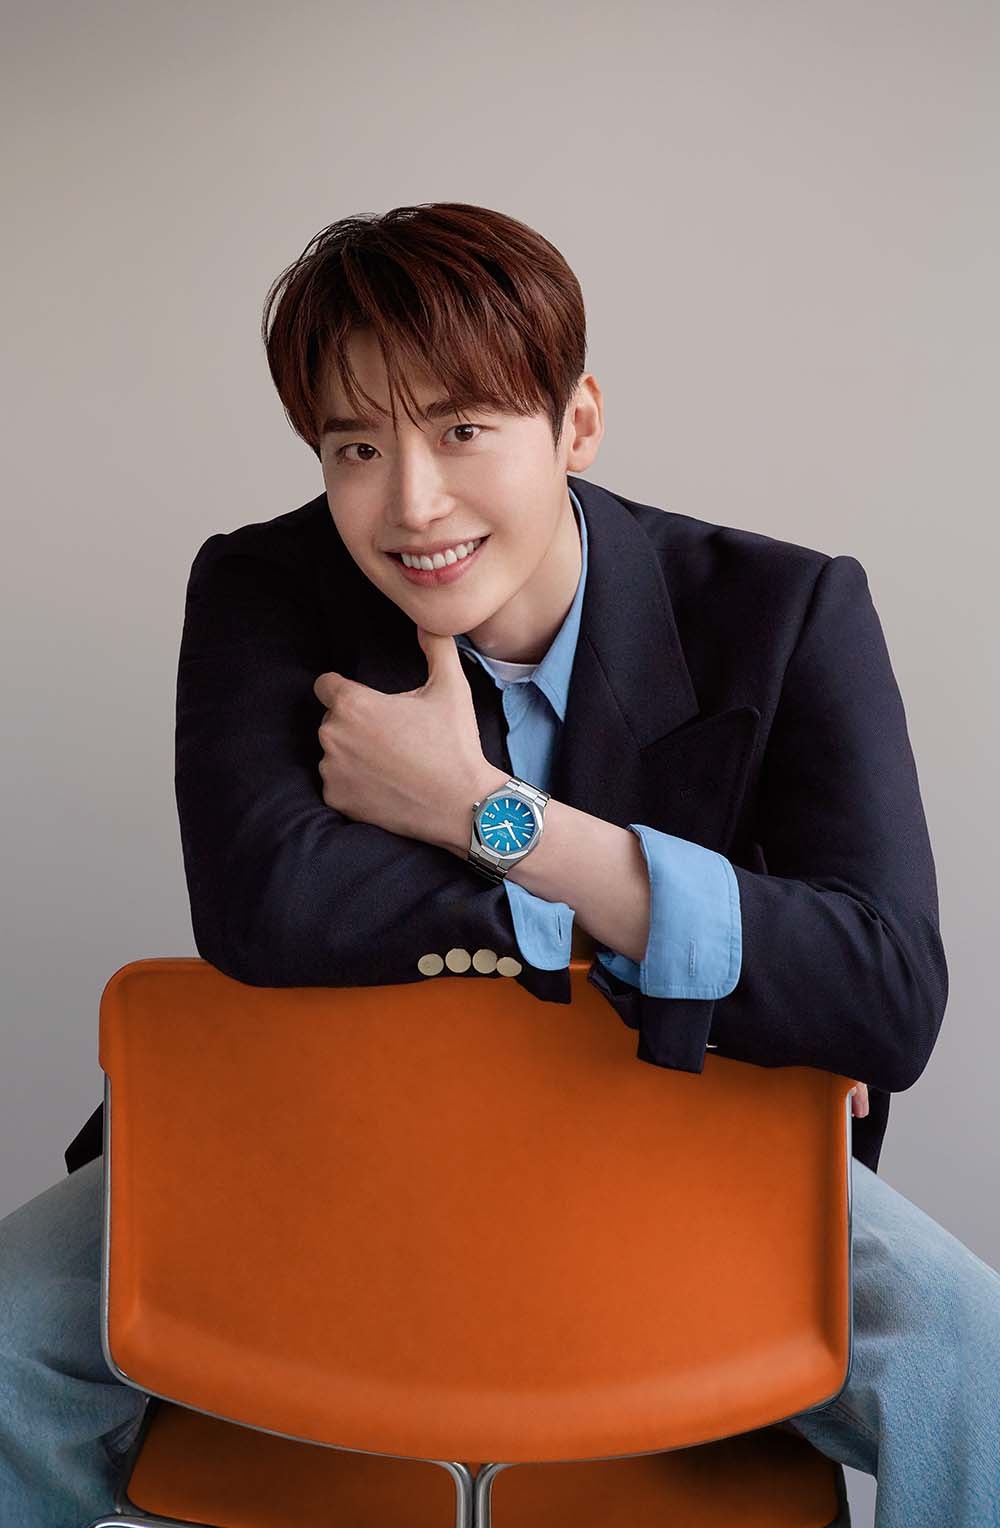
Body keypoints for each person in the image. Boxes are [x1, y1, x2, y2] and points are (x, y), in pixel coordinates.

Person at [2, 202, 997, 1527]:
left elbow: (883, 992)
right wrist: (695, 947)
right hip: (318, 1132)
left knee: (972, 1360)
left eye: (462, 429)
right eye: (357, 448)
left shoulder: (784, 609)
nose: (411, 503)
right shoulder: (262, 586)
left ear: (576, 424)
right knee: (8, 1338)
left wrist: (485, 814)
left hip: (683, 1140)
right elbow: (266, 908)